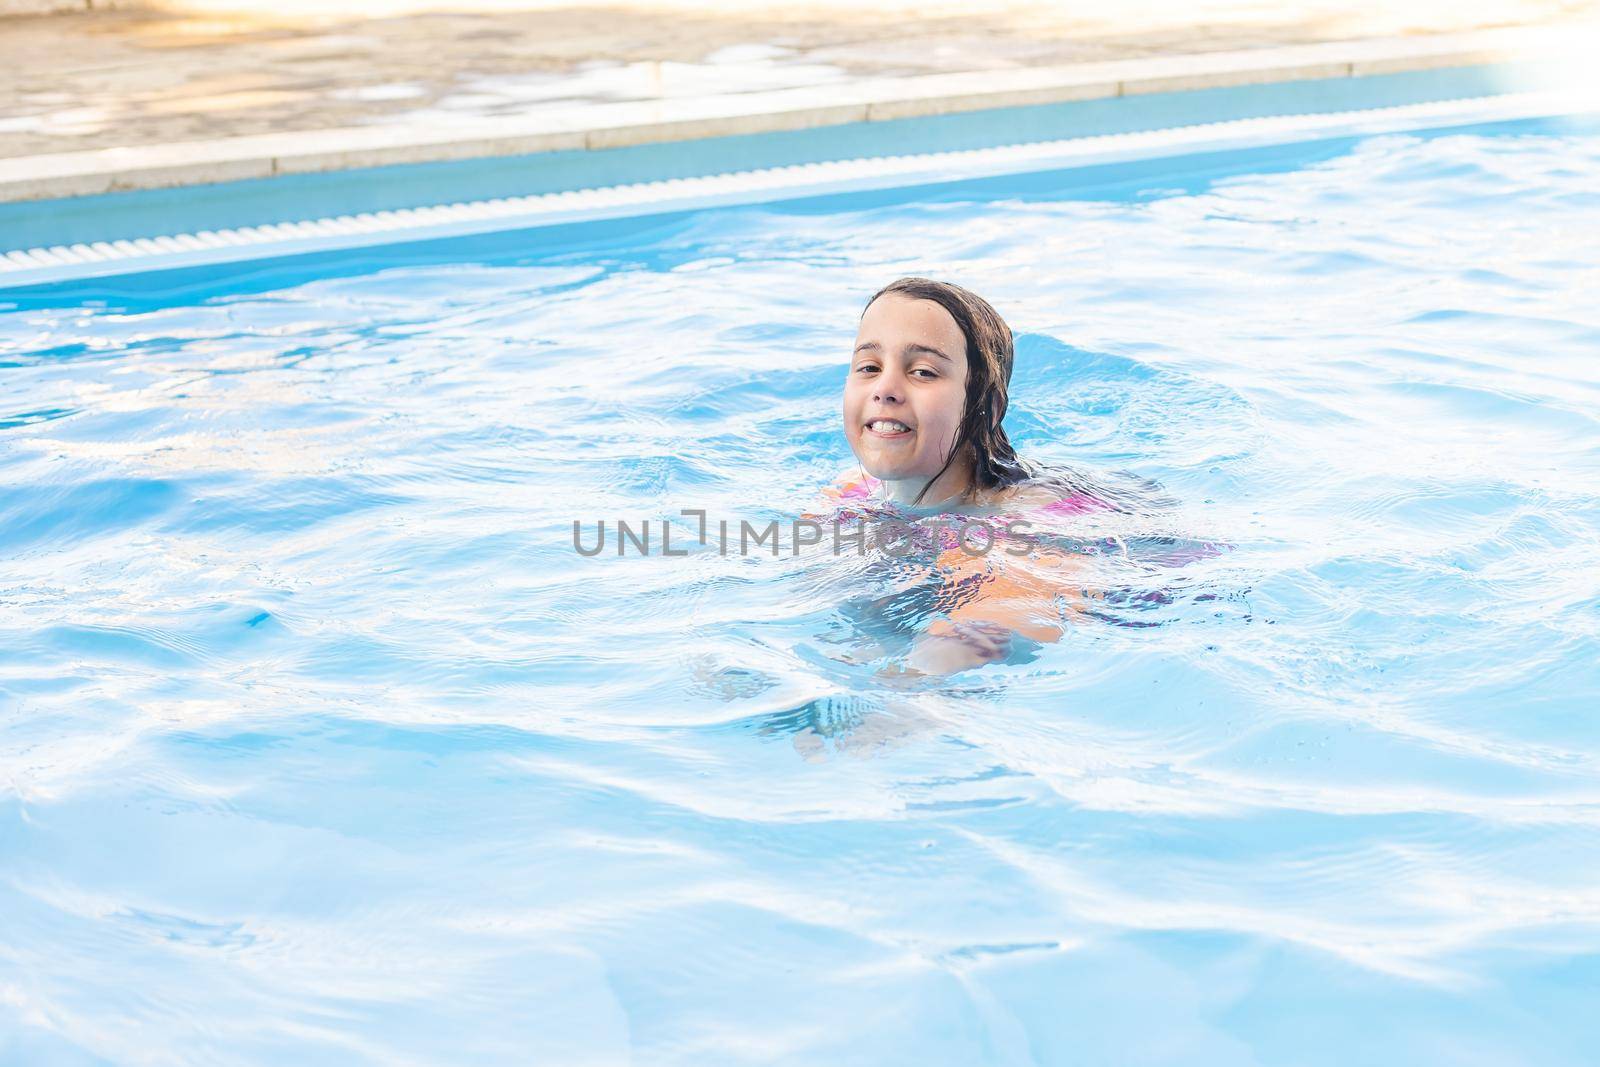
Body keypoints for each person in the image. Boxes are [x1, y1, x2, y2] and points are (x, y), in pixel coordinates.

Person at [824, 276, 1126, 677]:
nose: (885, 389)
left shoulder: (1024, 525)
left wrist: (900, 691)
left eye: (924, 372)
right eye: (869, 366)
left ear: (985, 405)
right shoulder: (847, 493)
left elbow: (994, 630)